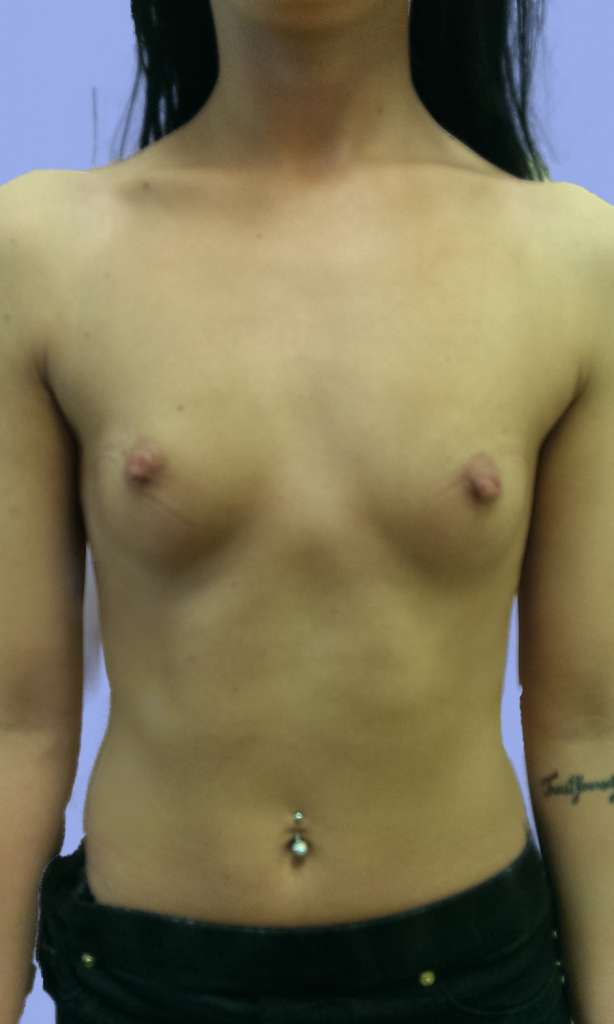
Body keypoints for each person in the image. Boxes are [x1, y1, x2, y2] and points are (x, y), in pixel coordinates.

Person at [3, 1, 585, 1021]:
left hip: (474, 984)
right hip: (145, 988)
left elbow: (590, 729)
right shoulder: (43, 253)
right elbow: (15, 721)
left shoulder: (572, 263)